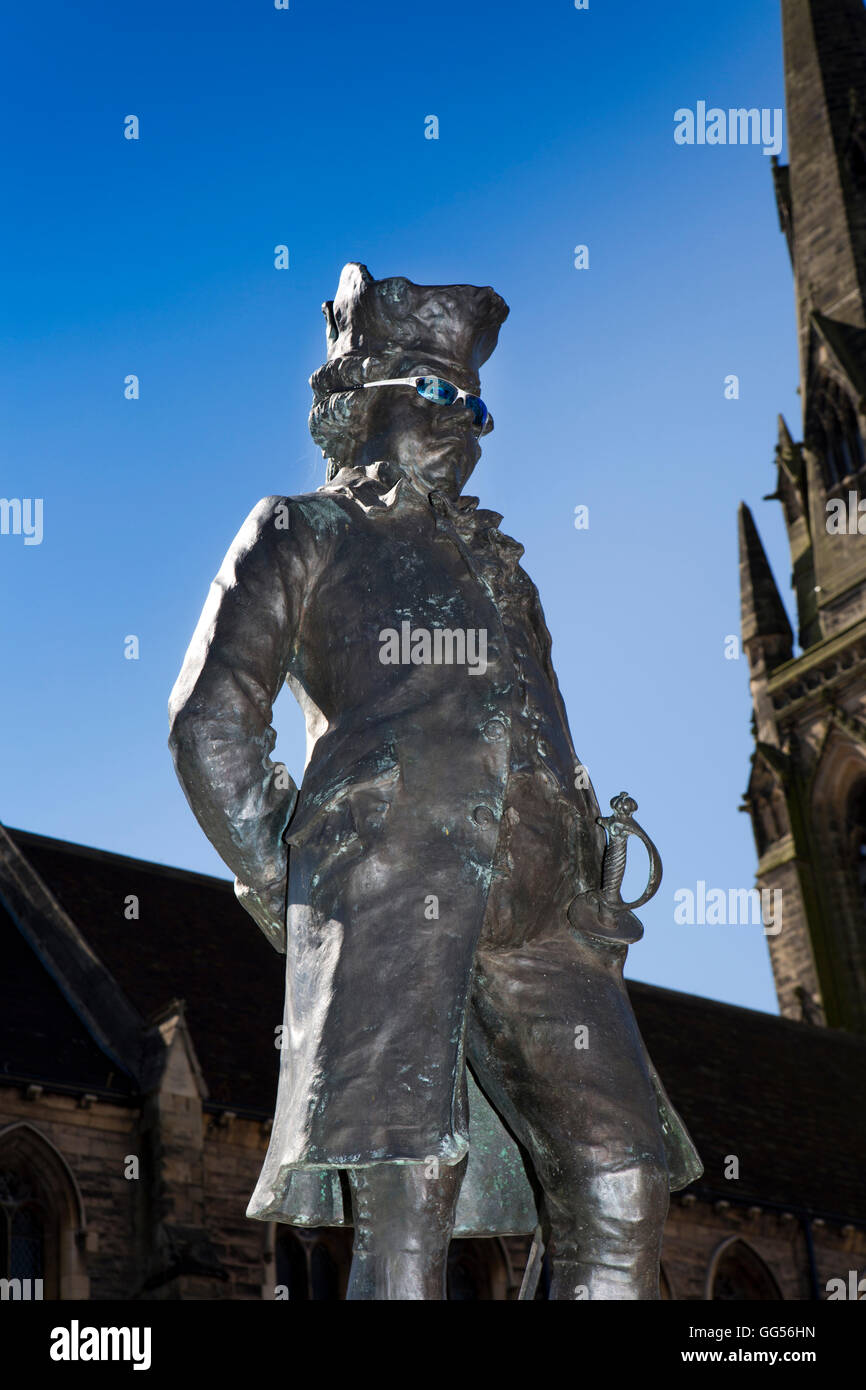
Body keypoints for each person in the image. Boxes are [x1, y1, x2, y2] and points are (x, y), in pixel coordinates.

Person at [168, 262, 701, 1300]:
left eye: (477, 402)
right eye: (439, 393)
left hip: (545, 917)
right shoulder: (301, 533)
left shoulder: (504, 566)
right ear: (360, 397)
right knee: (409, 1198)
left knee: (624, 1181)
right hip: (388, 898)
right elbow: (210, 721)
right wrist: (305, 871)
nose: (469, 421)